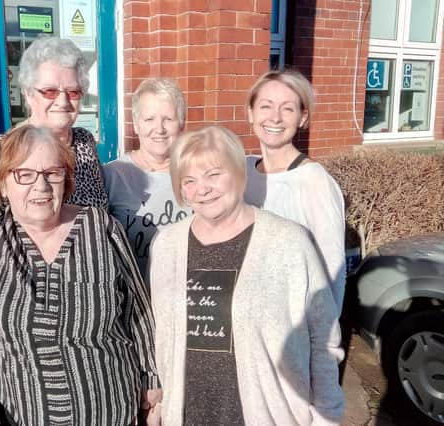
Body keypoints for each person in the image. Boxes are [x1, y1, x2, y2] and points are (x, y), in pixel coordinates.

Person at [148, 126, 344, 425]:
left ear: (238, 173)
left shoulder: (288, 242)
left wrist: (326, 415)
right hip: (188, 415)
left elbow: (324, 338)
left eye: (213, 174)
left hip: (269, 415)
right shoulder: (166, 246)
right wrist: (166, 402)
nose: (202, 188)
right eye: (189, 180)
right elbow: (163, 337)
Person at [0, 125, 160, 424]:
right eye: (24, 174)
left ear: (66, 180)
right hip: (22, 414)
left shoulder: (100, 226)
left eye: (52, 173)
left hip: (110, 411)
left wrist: (152, 377)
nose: (41, 186)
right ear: (3, 184)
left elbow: (137, 307)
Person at [243, 69, 346, 312]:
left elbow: (332, 269)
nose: (275, 118)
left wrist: (324, 341)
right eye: (266, 106)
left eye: (287, 108)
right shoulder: (242, 170)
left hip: (292, 322)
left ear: (302, 117)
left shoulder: (314, 181)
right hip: (247, 317)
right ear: (251, 112)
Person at [0, 36, 107, 209]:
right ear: (28, 93)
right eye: (50, 91)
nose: (63, 101)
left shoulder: (83, 142)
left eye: (73, 91)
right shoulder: (0, 151)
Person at [103, 77, 190, 275]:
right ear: (136, 124)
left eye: (168, 119)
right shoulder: (111, 176)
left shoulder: (197, 175)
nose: (159, 129)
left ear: (182, 123)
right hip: (131, 301)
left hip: (185, 298)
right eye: (149, 119)